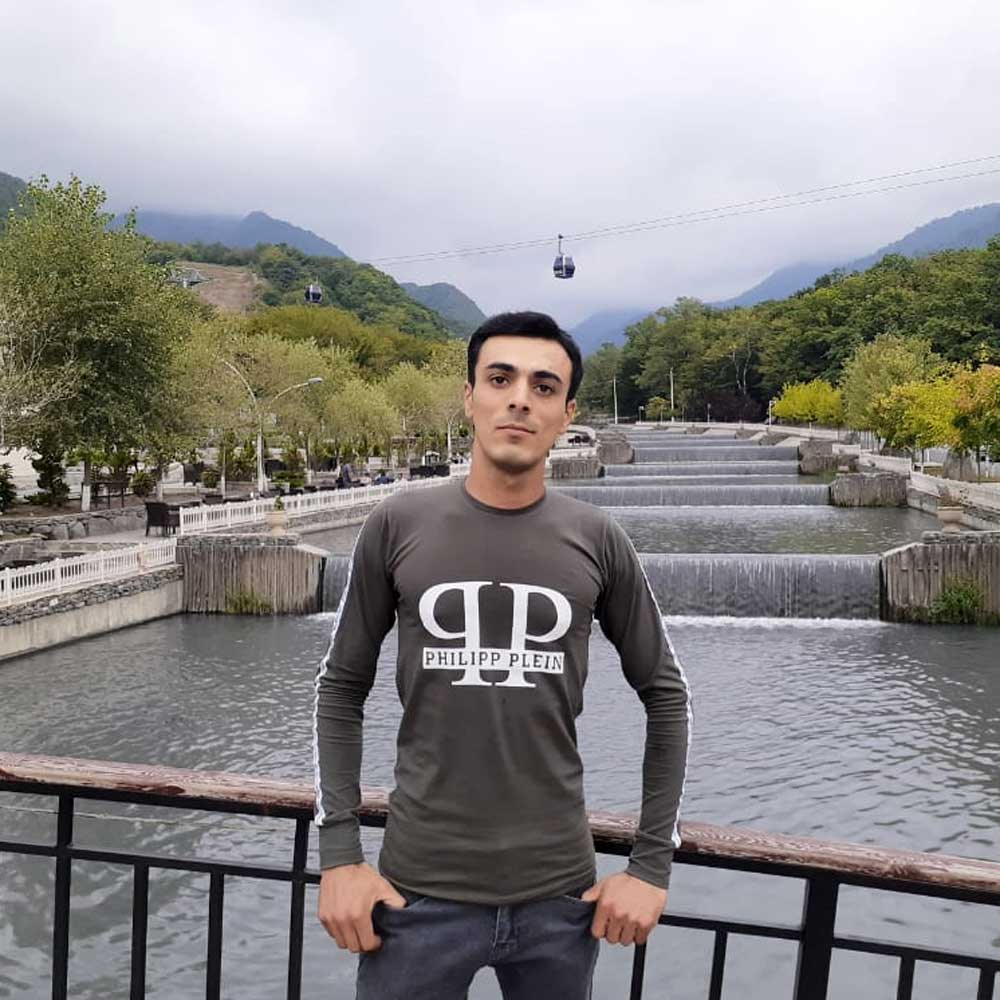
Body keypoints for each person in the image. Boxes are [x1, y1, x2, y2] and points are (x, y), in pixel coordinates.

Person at [314, 311, 691, 999]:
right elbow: (341, 688)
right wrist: (340, 854)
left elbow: (666, 696)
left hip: (560, 902)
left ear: (566, 413)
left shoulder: (598, 537)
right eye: (500, 379)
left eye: (544, 387)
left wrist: (651, 866)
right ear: (470, 397)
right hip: (414, 897)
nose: (520, 399)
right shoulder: (397, 523)